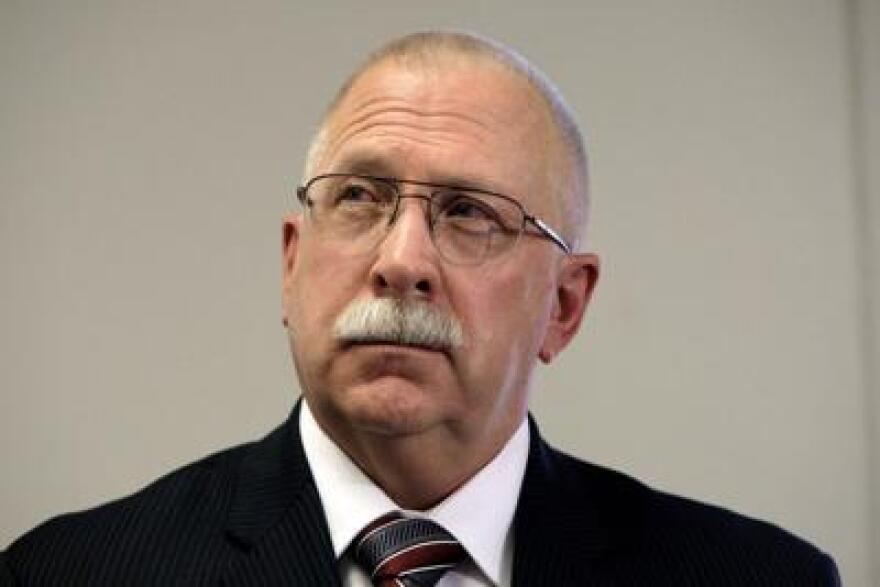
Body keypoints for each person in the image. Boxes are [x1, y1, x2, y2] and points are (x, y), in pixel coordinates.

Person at [1, 31, 839, 586]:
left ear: (564, 305)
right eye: (359, 197)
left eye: (469, 212)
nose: (401, 261)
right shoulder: (64, 574)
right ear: (292, 264)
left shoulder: (763, 578)